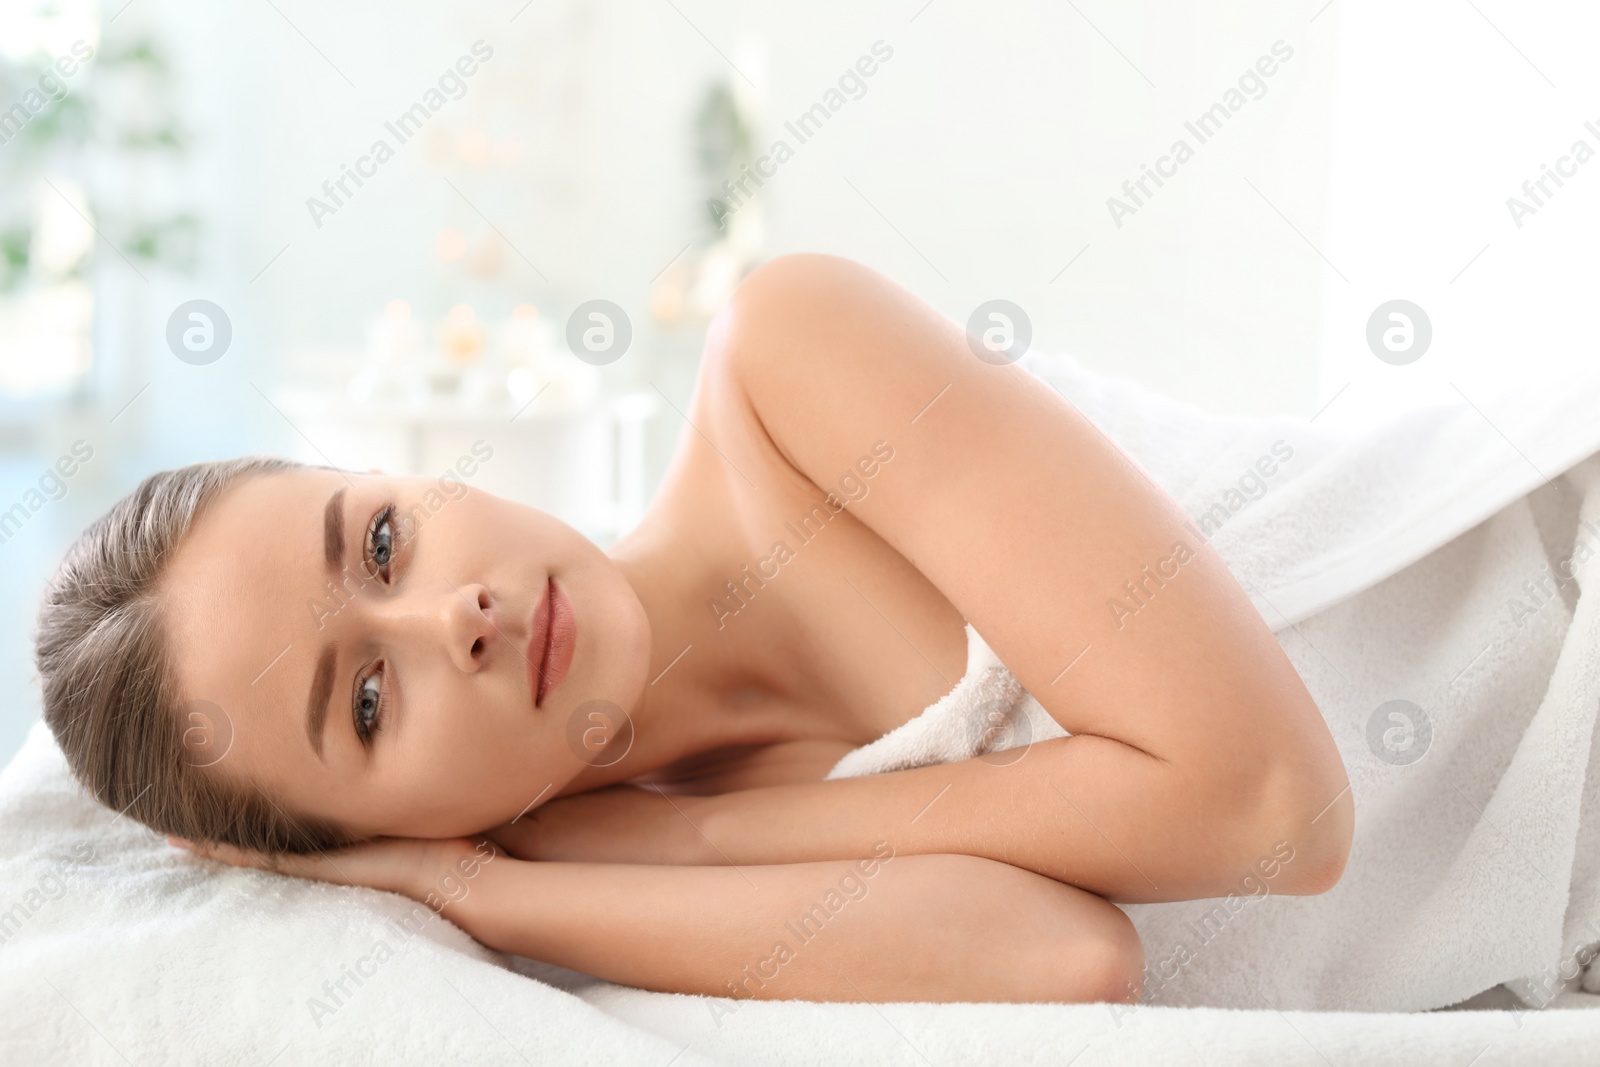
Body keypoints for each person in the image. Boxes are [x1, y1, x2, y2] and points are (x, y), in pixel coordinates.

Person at [33, 252, 1353, 1005]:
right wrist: (485, 896)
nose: (460, 615)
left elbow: (1276, 814)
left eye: (381, 539)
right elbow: (1065, 965)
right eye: (368, 702)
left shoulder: (789, 361)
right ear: (378, 836)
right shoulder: (634, 899)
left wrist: (682, 834)